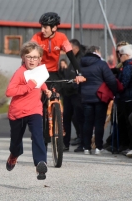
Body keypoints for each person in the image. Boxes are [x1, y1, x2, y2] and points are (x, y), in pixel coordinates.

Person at [31, 12, 84, 144]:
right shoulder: (37, 37)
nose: (42, 30)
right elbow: (28, 53)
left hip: (54, 73)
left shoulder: (61, 37)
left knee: (55, 95)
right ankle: (38, 125)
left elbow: (71, 56)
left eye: (45, 27)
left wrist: (79, 73)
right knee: (37, 100)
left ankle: (57, 122)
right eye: (42, 27)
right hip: (39, 71)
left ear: (54, 28)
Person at [5, 41, 51, 180]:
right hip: (17, 112)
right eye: (29, 57)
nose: (32, 60)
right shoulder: (20, 73)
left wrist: (45, 90)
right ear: (23, 58)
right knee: (15, 142)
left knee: (38, 135)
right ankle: (14, 154)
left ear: (40, 59)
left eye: (35, 57)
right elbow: (9, 92)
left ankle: (40, 164)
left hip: (34, 110)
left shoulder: (39, 70)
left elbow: (40, 80)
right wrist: (28, 86)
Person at [80, 46, 117, 154]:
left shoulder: (80, 64)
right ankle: (98, 147)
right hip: (100, 97)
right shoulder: (101, 64)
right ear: (96, 52)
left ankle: (86, 147)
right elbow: (110, 80)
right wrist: (115, 92)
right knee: (99, 122)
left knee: (87, 122)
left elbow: (76, 80)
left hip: (86, 97)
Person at [115, 44, 132, 155]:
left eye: (120, 55)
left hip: (130, 98)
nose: (119, 57)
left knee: (129, 123)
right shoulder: (131, 64)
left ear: (126, 55)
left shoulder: (127, 66)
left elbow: (123, 84)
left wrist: (116, 82)